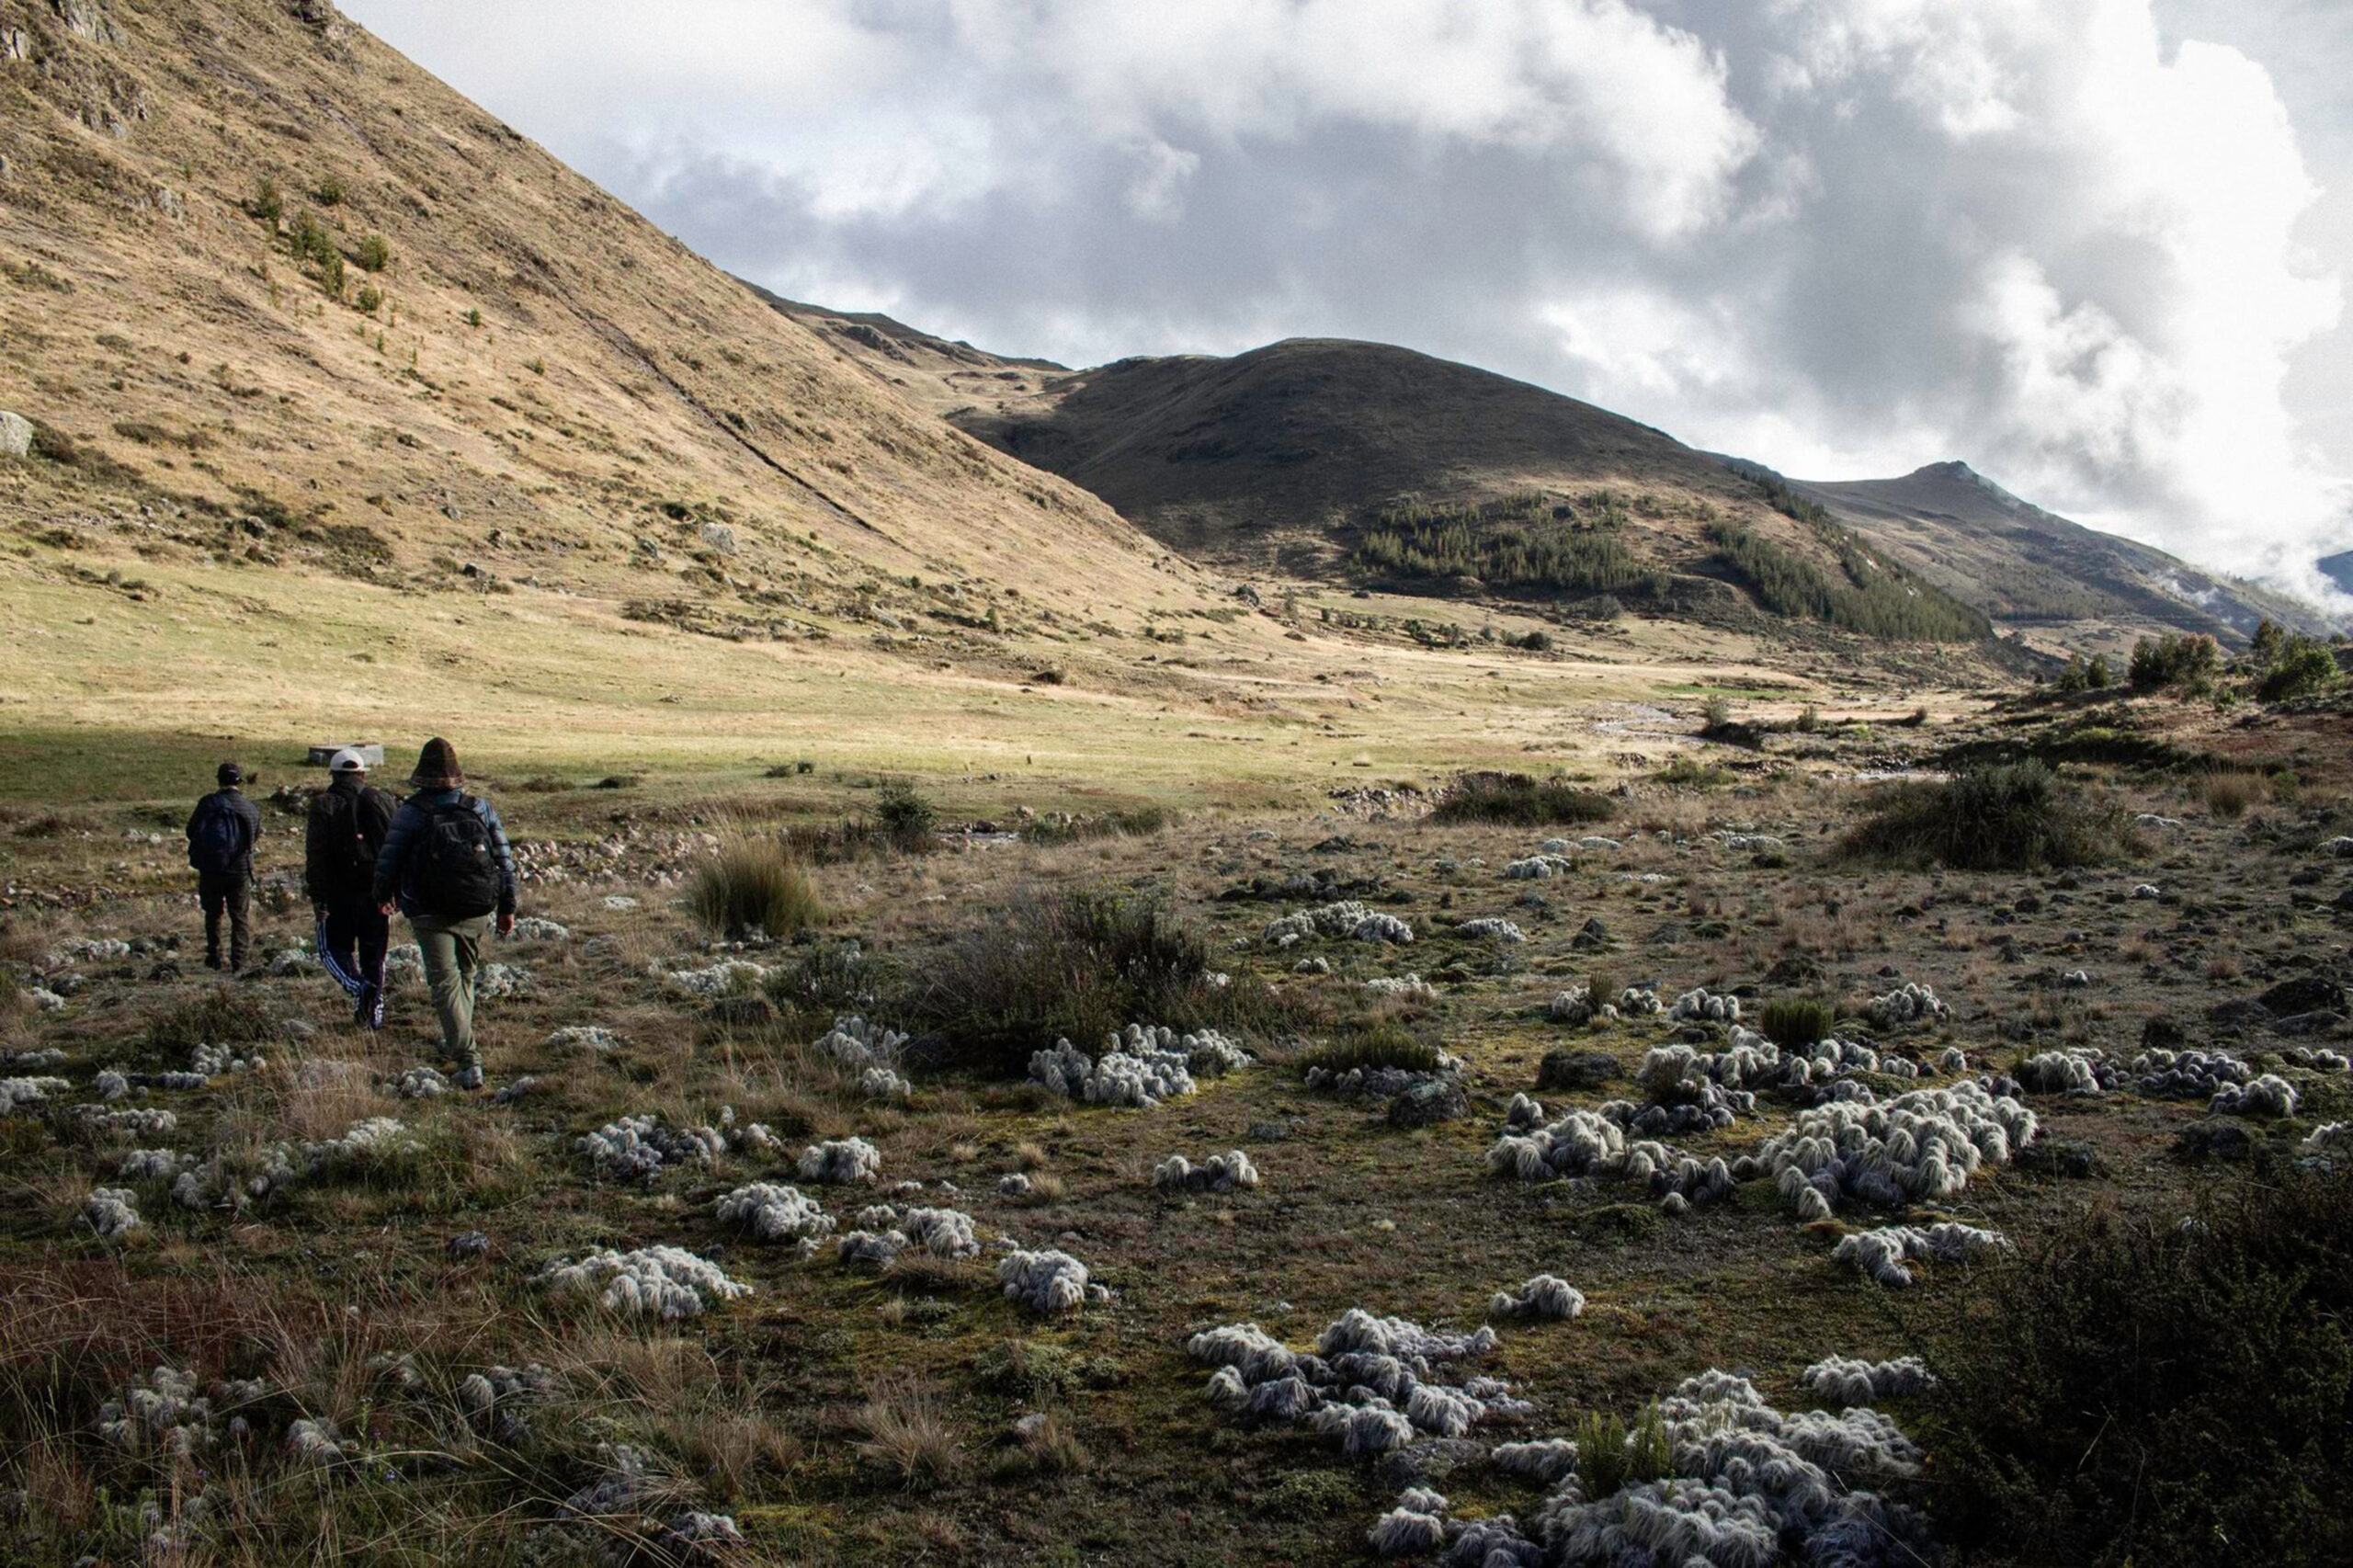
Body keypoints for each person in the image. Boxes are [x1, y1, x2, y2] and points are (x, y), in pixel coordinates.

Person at [370, 737, 517, 1089]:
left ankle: (468, 1060)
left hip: (427, 909)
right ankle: (458, 1039)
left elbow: (389, 860)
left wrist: (382, 895)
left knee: (445, 982)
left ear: (421, 776)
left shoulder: (410, 812)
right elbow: (504, 860)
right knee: (465, 975)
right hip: (476, 906)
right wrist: (508, 906)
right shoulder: (480, 808)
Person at [305, 748, 396, 1029]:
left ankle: (360, 988)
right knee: (375, 957)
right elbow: (395, 847)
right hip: (376, 893)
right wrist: (393, 891)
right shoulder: (382, 800)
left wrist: (318, 898)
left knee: (333, 951)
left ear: (333, 774)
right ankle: (372, 1016)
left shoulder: (324, 804)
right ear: (362, 774)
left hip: (338, 893)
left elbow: (316, 856)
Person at [185, 762, 262, 972]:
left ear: (218, 780)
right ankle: (239, 961)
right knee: (239, 916)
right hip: (240, 868)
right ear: (240, 782)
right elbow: (254, 838)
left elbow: (191, 831)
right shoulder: (250, 807)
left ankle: (215, 956)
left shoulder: (207, 803)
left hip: (211, 867)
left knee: (213, 913)